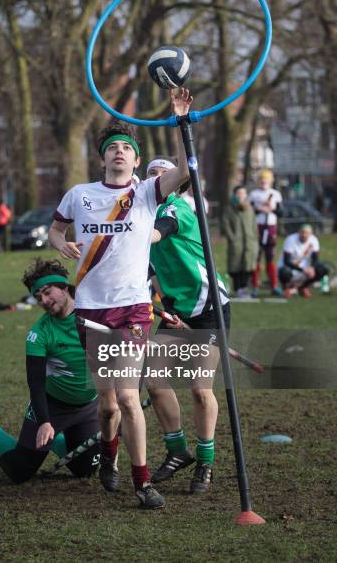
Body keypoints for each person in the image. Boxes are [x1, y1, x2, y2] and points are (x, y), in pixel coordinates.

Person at [48, 88, 193, 509]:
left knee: (129, 397)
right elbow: (56, 229)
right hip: (91, 310)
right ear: (102, 159)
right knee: (107, 406)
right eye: (111, 148)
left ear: (134, 159)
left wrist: (181, 122)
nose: (118, 153)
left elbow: (185, 168)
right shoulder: (80, 195)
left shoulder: (148, 192)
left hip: (132, 308)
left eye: (125, 149)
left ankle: (142, 482)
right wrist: (60, 244)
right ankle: (109, 455)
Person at [0, 258, 101, 484]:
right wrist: (44, 421)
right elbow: (35, 382)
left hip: (89, 405)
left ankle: (58, 438)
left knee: (86, 469)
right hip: (52, 407)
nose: (43, 300)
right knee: (19, 471)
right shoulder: (39, 333)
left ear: (64, 287)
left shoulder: (96, 316)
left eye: (47, 292)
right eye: (38, 297)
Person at [146, 157, 230, 494]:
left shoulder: (177, 207)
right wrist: (168, 310)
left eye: (163, 173)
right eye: (151, 173)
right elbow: (156, 275)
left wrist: (126, 237)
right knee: (154, 379)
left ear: (176, 181)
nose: (157, 178)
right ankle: (178, 450)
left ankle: (206, 460)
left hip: (210, 308)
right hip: (177, 309)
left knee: (199, 387)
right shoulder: (140, 213)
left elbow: (157, 234)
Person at [249, 169, 283, 297]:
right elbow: (249, 211)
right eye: (262, 179)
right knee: (256, 257)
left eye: (266, 179)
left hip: (271, 228)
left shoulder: (275, 194)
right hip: (257, 227)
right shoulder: (253, 194)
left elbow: (281, 213)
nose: (264, 181)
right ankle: (255, 286)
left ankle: (274, 285)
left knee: (270, 257)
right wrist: (259, 209)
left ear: (270, 181)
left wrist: (271, 209)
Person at [222, 186, 259, 299]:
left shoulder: (250, 208)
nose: (241, 195)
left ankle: (244, 287)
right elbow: (226, 224)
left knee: (248, 264)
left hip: (250, 241)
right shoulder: (229, 208)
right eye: (238, 193)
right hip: (237, 242)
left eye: (243, 193)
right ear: (234, 195)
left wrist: (255, 237)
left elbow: (254, 224)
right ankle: (238, 288)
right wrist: (232, 237)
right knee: (235, 264)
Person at [278, 224, 329, 299]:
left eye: (306, 233)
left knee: (322, 269)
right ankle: (287, 288)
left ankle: (303, 287)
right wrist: (303, 270)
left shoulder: (314, 240)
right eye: (302, 232)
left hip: (304, 268)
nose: (304, 235)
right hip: (290, 268)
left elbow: (315, 258)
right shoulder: (291, 239)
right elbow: (286, 261)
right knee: (285, 271)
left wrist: (312, 268)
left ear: (310, 233)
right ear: (299, 232)